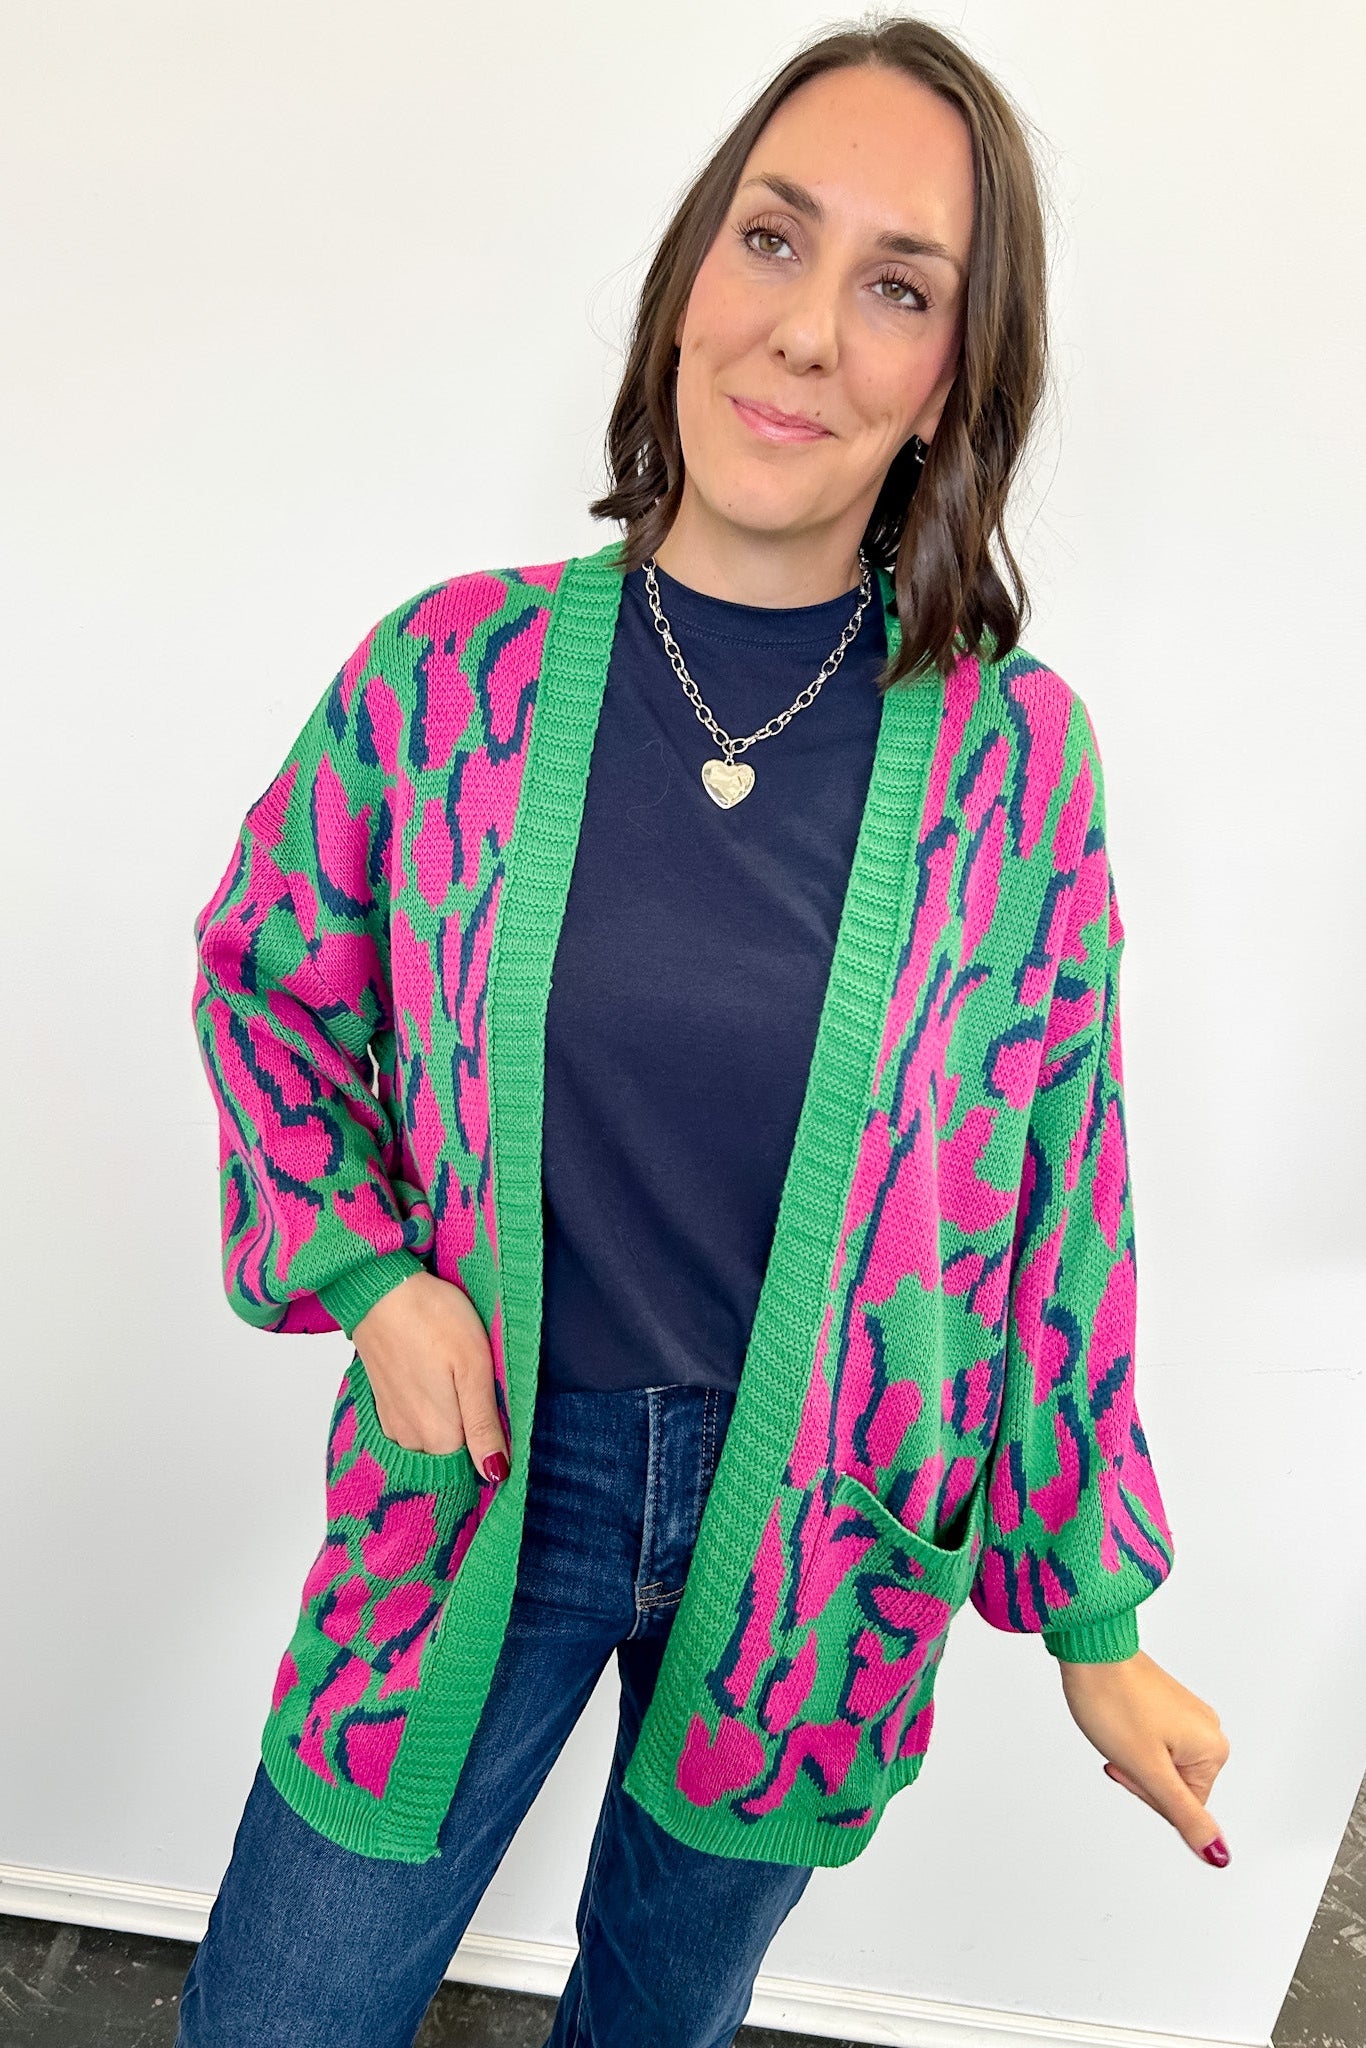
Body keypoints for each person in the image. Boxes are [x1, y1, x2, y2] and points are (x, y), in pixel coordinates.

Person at [178, 17, 1231, 2047]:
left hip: (834, 1530)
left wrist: (1095, 1618)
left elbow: (1053, 1202)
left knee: (658, 2018)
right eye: (770, 240)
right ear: (686, 281)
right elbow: (267, 983)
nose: (807, 331)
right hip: (484, 1470)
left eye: (896, 286)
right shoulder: (444, 676)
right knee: (276, 2017)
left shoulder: (1014, 764)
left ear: (950, 384)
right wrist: (371, 1274)